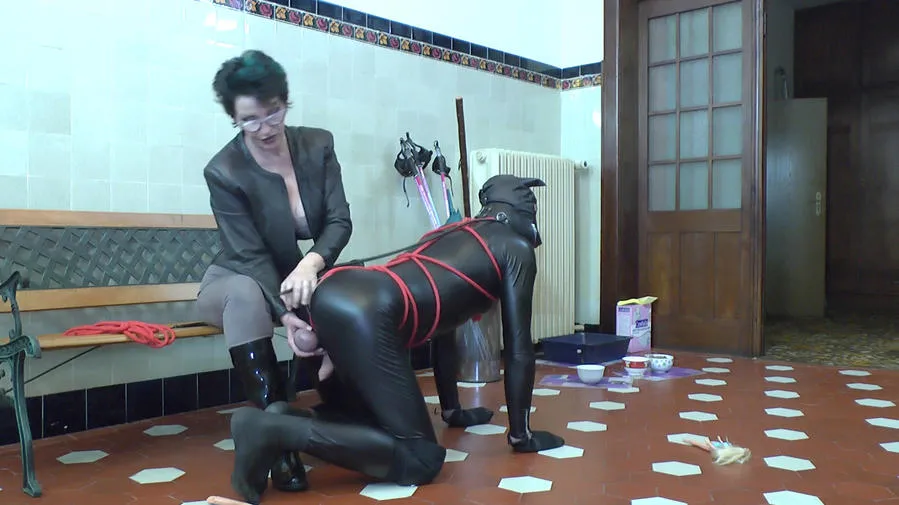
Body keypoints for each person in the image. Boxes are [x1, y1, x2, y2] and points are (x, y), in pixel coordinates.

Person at [226, 175, 566, 504]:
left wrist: (453, 411)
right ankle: (270, 430)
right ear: (522, 208)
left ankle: (282, 417)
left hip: (339, 290)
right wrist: (521, 435)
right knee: (420, 459)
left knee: (373, 423)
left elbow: (444, 329)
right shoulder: (515, 247)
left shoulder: (447, 233)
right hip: (369, 311)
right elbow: (519, 348)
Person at [195, 49, 352, 494]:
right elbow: (247, 254)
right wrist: (286, 314)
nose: (264, 128)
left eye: (273, 113)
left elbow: (338, 220)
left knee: (345, 292)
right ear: (233, 118)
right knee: (246, 294)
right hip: (232, 280)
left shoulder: (318, 145)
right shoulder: (223, 170)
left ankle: (348, 416)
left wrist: (311, 264)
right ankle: (279, 446)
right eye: (250, 120)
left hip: (292, 272)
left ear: (285, 102)